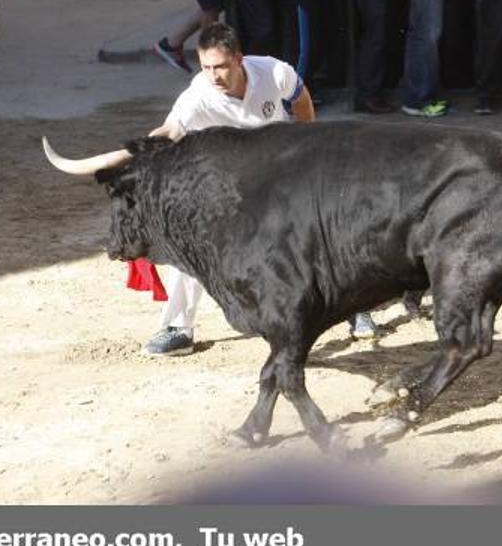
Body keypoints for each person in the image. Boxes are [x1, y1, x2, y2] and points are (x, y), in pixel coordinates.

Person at [141, 22, 375, 354]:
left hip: (281, 173)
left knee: (326, 229)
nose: (214, 76)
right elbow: (171, 130)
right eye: (206, 67)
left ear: (239, 59)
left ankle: (354, 307)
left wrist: (307, 147)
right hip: (231, 183)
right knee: (190, 236)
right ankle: (178, 327)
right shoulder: (198, 96)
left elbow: (302, 100)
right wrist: (143, 150)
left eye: (220, 66)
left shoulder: (274, 72)